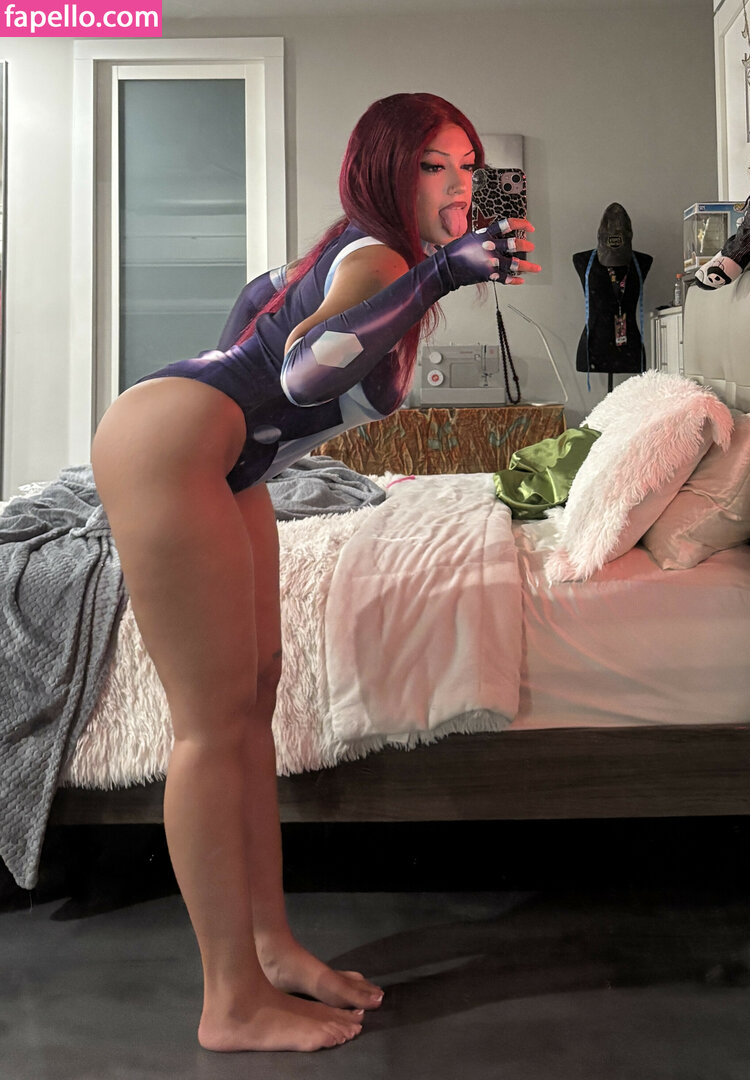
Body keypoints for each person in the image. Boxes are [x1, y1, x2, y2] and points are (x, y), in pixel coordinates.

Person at [90, 92, 538, 1054]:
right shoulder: (383, 261)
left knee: (254, 698)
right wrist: (441, 274)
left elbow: (255, 316)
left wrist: (247, 428)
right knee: (211, 725)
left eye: (468, 165)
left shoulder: (358, 255)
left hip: (228, 459)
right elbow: (300, 372)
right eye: (433, 165)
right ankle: (229, 1001)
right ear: (385, 170)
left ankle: (271, 948)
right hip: (171, 445)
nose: (459, 185)